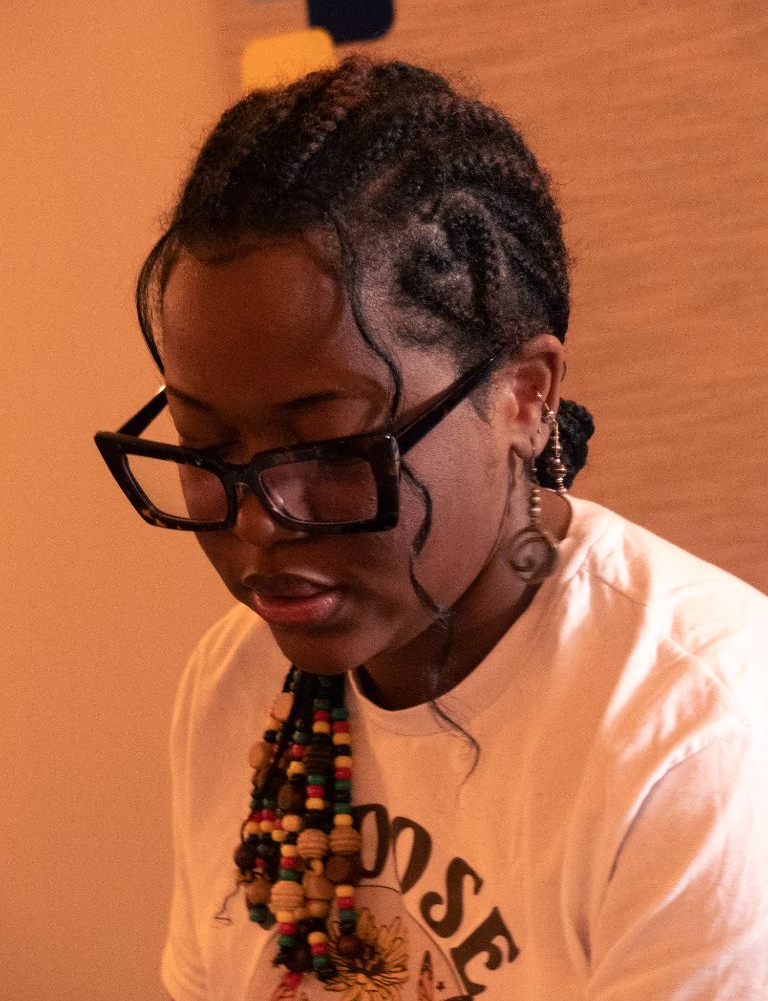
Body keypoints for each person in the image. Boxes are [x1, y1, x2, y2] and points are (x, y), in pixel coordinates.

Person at [94, 57, 768, 1001]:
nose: (257, 524)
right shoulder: (236, 684)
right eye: (204, 447)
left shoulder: (699, 737)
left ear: (525, 395)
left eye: (331, 447)